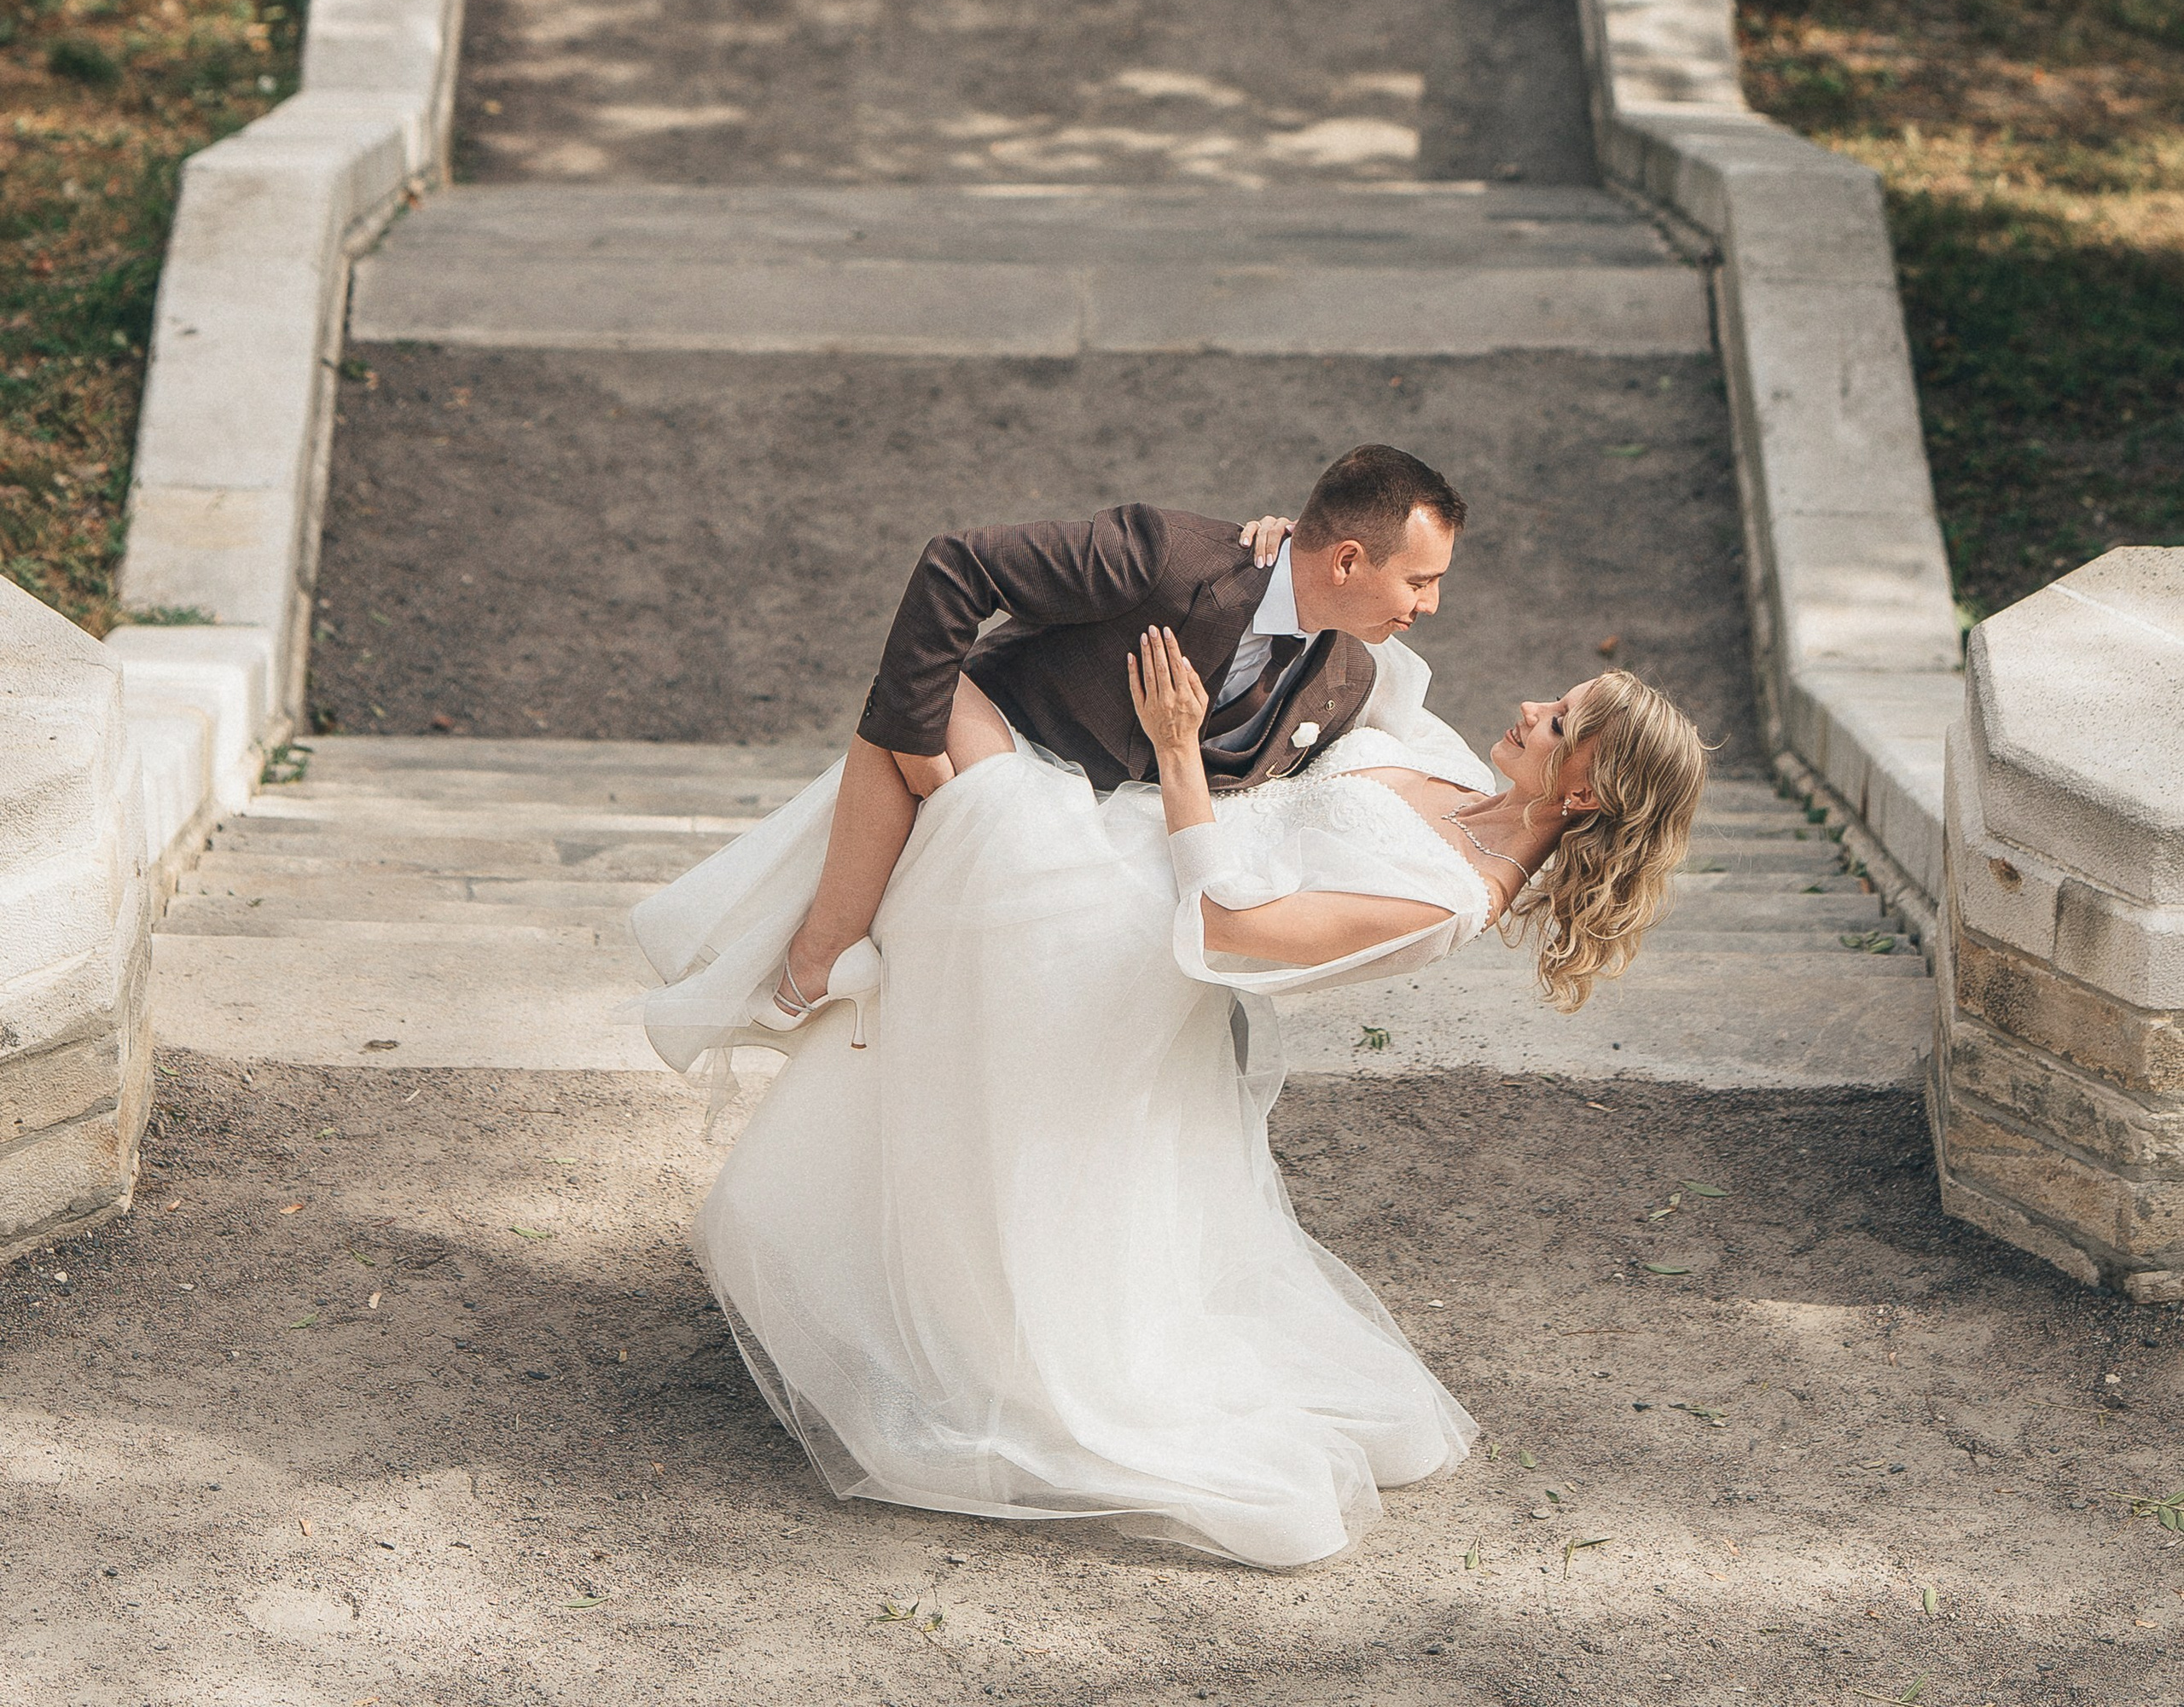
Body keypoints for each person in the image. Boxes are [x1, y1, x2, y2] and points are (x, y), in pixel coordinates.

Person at [632, 549, 1708, 1567]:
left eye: (1558, 721)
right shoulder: (1457, 770)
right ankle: (818, 983)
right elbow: (1375, 668)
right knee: (917, 709)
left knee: (926, 706)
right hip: (1112, 839)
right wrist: (1291, 554)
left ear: (1583, 796)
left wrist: (1181, 744)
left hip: (1118, 934)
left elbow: (1238, 927)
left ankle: (809, 972)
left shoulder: (1449, 900)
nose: (1529, 707)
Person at [762, 443, 1467, 1034]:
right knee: (913, 697)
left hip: (1118, 848)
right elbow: (956, 566)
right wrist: (919, 751)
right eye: (1421, 581)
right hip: (1005, 748)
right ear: (1346, 561)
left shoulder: (1351, 677)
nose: (1430, 605)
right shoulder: (1166, 557)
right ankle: (821, 955)